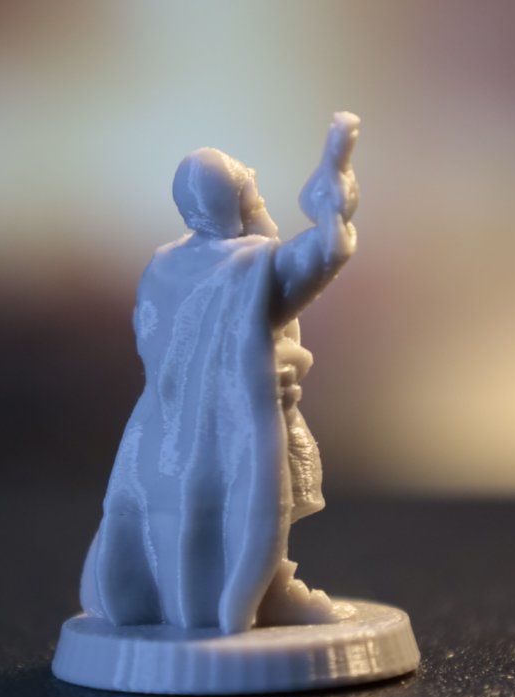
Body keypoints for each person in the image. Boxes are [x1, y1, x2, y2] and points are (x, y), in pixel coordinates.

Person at [80, 113, 361, 634]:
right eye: (250, 191)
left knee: (219, 505)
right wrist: (331, 215)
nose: (258, 200)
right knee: (252, 502)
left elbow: (152, 337)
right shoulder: (248, 266)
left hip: (168, 423)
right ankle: (261, 593)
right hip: (234, 415)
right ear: (234, 202)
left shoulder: (164, 266)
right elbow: (319, 256)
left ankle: (260, 587)